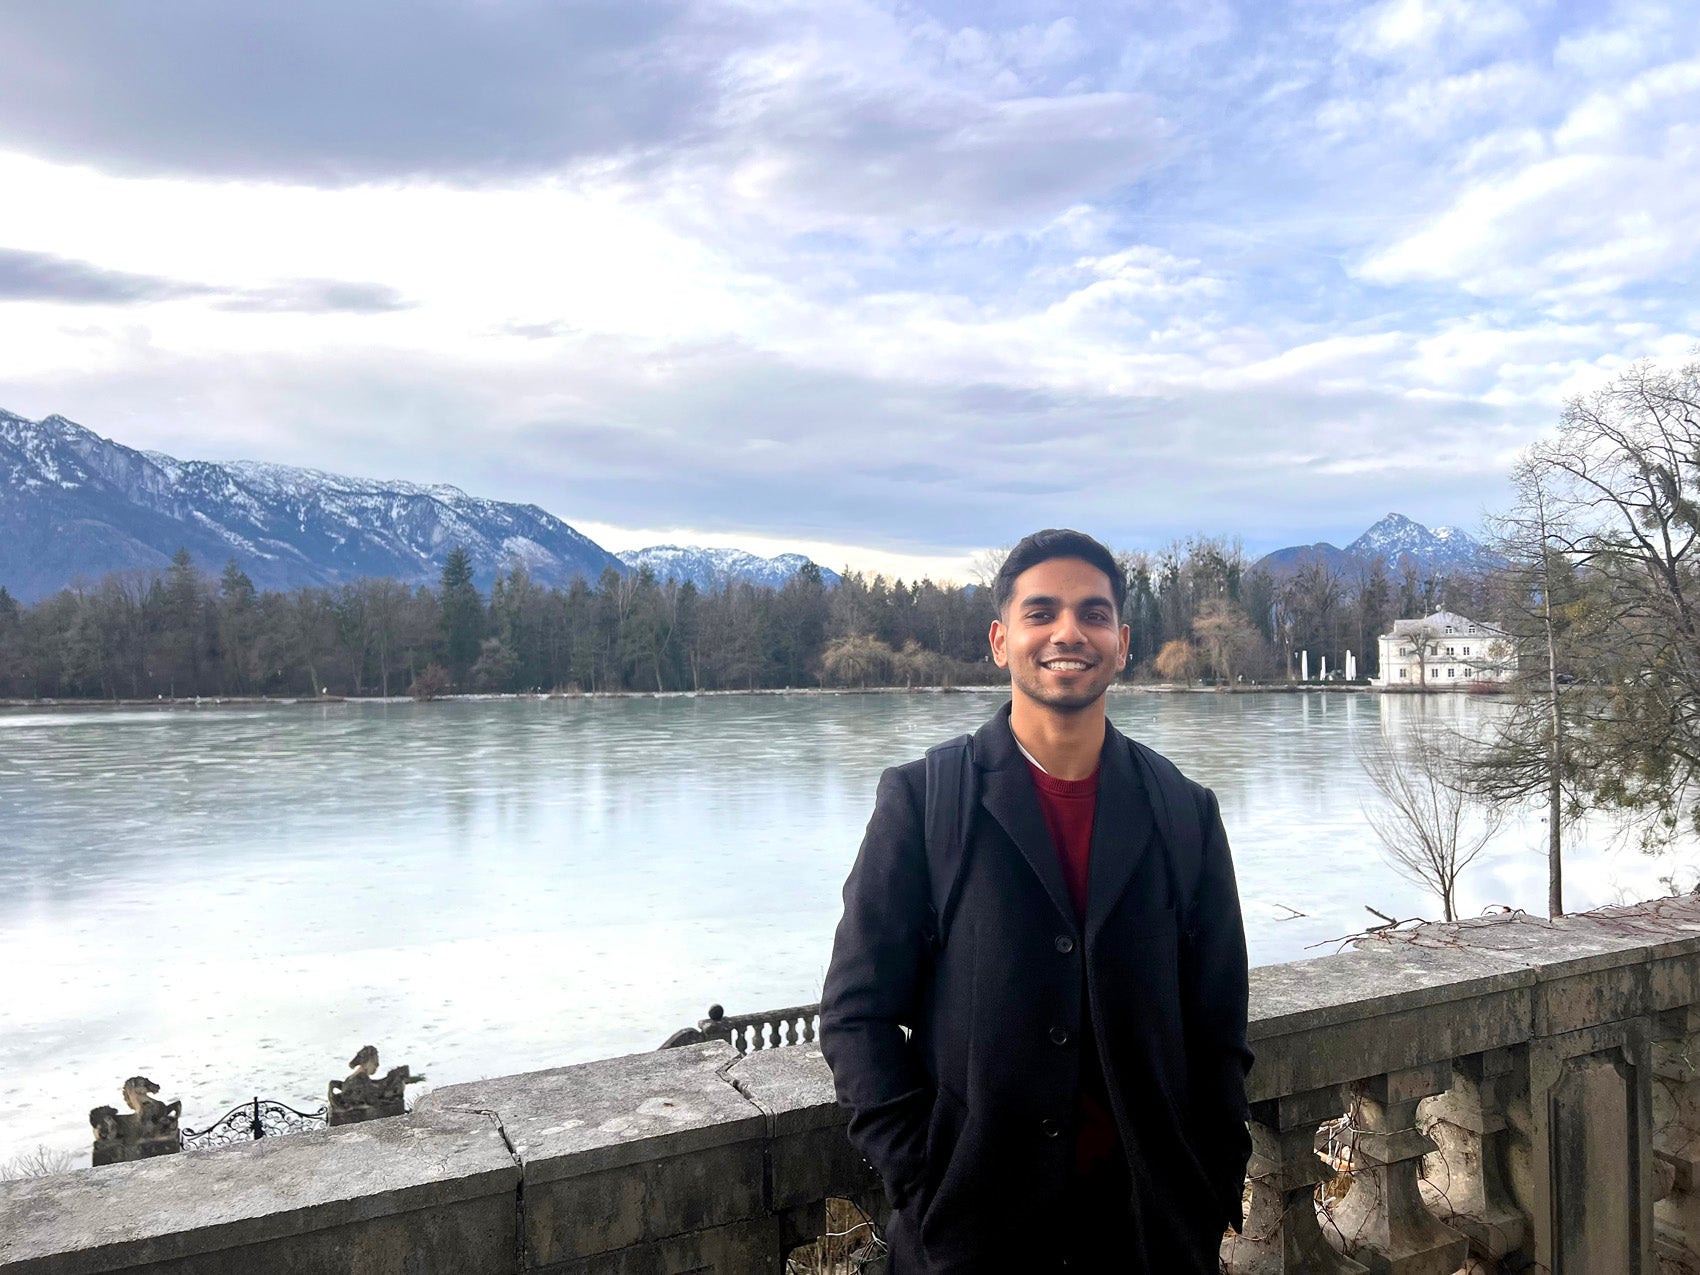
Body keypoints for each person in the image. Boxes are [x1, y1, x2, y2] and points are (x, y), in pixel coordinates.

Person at [819, 528, 1253, 1273]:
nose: (1068, 633)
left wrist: (1209, 1183)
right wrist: (924, 1178)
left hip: (1150, 1241)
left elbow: (1218, 1028)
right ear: (1001, 640)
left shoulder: (1185, 813)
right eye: (1041, 612)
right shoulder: (925, 803)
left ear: (1122, 643)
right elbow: (855, 1014)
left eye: (1093, 614)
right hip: (969, 1241)